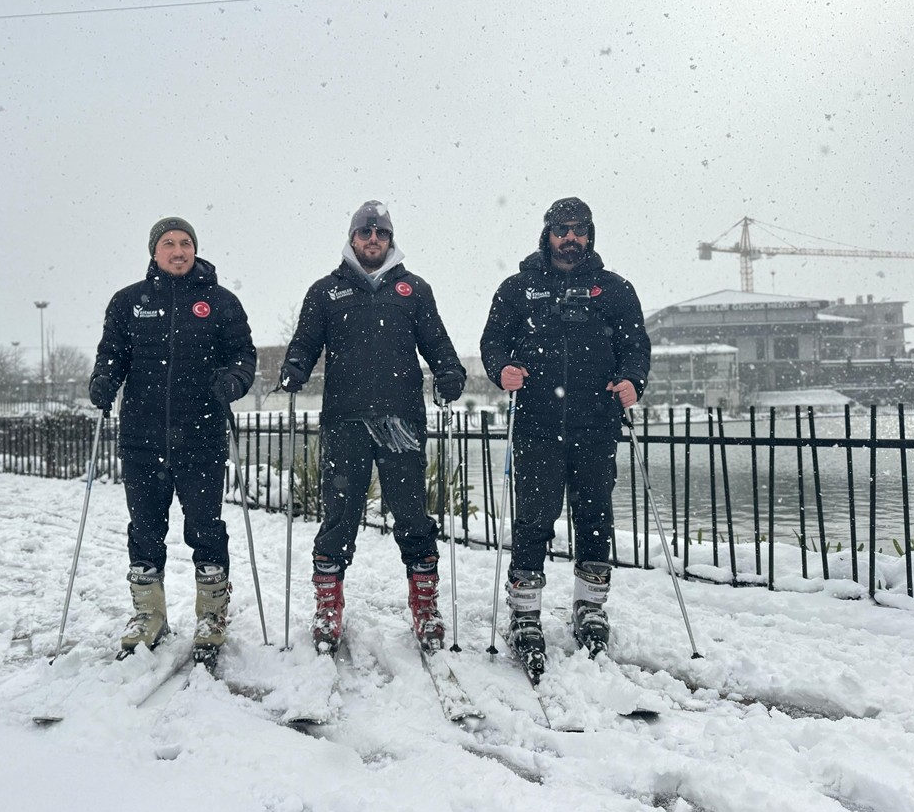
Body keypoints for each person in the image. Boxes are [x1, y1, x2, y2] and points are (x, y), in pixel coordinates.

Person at [279, 200, 466, 655]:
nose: (373, 240)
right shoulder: (326, 292)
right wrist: (295, 367)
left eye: (380, 233)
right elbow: (306, 341)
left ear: (390, 240)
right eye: (365, 233)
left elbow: (436, 340)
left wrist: (449, 371)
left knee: (411, 512)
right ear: (352, 238)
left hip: (401, 418)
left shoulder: (414, 290)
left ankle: (425, 605)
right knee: (340, 514)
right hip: (345, 419)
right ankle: (328, 606)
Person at [479, 197, 650, 673]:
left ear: (590, 235)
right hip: (536, 424)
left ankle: (590, 606)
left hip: (596, 424)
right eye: (562, 229)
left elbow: (636, 346)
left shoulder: (614, 290)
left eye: (579, 230)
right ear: (547, 234)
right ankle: (525, 612)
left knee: (595, 515)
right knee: (534, 517)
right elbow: (492, 342)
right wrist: (501, 369)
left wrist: (634, 379)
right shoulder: (518, 288)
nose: (570, 238)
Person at [89, 216, 256, 670]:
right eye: (169, 243)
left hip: (201, 436)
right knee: (145, 529)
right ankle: (149, 613)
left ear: (195, 249)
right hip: (142, 438)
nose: (178, 251)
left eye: (185, 243)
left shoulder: (221, 303)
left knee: (205, 527)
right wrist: (103, 379)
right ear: (154, 252)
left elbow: (244, 356)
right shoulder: (128, 303)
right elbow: (112, 354)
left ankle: (212, 613)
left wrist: (234, 380)